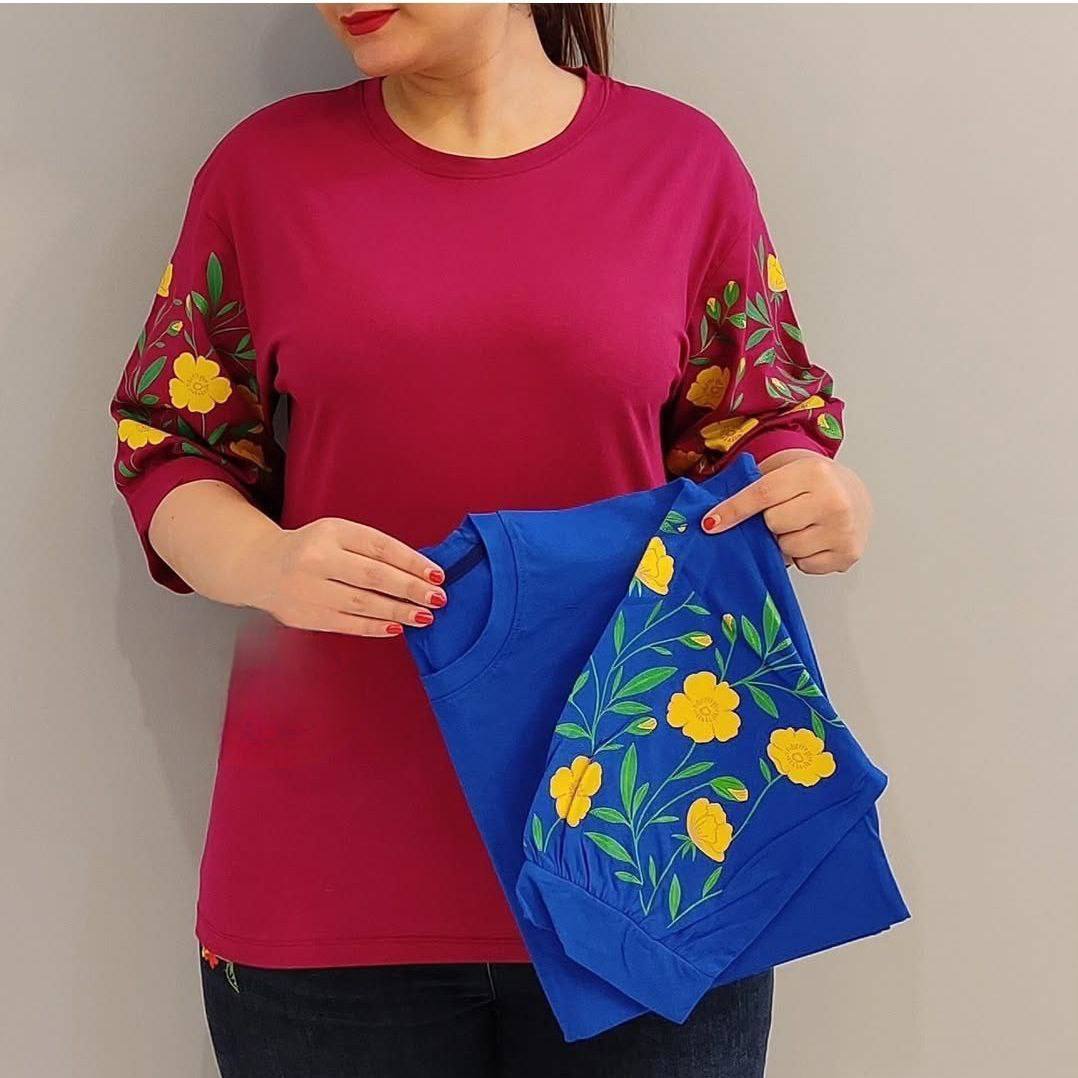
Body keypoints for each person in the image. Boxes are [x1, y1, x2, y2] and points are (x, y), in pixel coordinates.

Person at [109, 4, 872, 1075]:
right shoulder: (263, 173)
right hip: (333, 876)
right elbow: (170, 446)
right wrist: (265, 561)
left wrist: (817, 492)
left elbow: (758, 423)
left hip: (649, 850)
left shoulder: (680, 162)